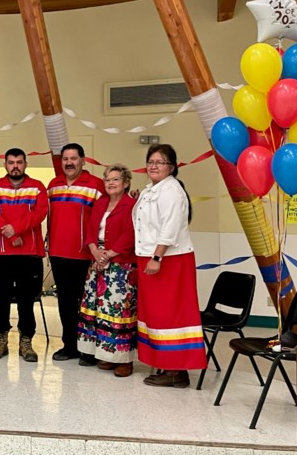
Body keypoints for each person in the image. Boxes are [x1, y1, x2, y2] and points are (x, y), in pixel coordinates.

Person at [133, 144, 207, 388]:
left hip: (168, 260)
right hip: (150, 257)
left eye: (160, 162)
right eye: (150, 161)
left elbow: (171, 226)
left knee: (171, 314)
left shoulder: (172, 190)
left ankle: (177, 370)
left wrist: (157, 257)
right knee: (156, 315)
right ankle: (165, 363)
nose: (154, 166)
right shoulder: (151, 189)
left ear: (172, 167)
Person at [0, 148, 49, 362]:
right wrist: (11, 234)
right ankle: (0, 340)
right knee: (1, 300)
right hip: (1, 255)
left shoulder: (37, 187)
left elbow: (40, 213)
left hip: (29, 255)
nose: (15, 166)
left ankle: (26, 342)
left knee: (26, 301)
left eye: (19, 162)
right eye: (11, 162)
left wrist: (16, 229)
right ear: (5, 164)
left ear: (25, 164)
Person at [47, 143, 106, 365]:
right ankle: (70, 345)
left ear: (83, 160)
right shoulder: (53, 185)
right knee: (65, 303)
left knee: (88, 304)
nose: (69, 163)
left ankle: (89, 349)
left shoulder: (96, 185)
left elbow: (106, 218)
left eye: (73, 158)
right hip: (58, 254)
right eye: (65, 159)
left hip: (85, 256)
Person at [79, 164, 138, 377]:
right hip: (97, 264)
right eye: (107, 179)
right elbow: (90, 229)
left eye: (115, 179)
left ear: (126, 182)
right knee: (100, 312)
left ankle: (124, 359)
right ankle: (106, 355)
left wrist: (109, 254)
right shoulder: (100, 203)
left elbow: (131, 234)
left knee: (119, 312)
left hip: (120, 266)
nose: (110, 183)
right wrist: (95, 250)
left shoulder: (132, 205)